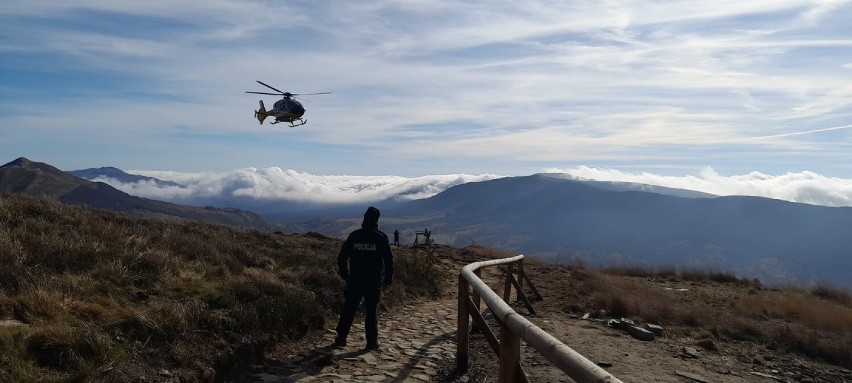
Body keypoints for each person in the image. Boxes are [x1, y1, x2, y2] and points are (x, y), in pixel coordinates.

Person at [335, 206, 394, 350]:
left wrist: (345, 276)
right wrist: (387, 280)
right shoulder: (380, 237)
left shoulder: (354, 236)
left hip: (355, 279)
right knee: (371, 311)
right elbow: (388, 260)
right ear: (377, 220)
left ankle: (341, 338)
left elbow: (342, 257)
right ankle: (371, 342)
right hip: (373, 281)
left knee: (349, 308)